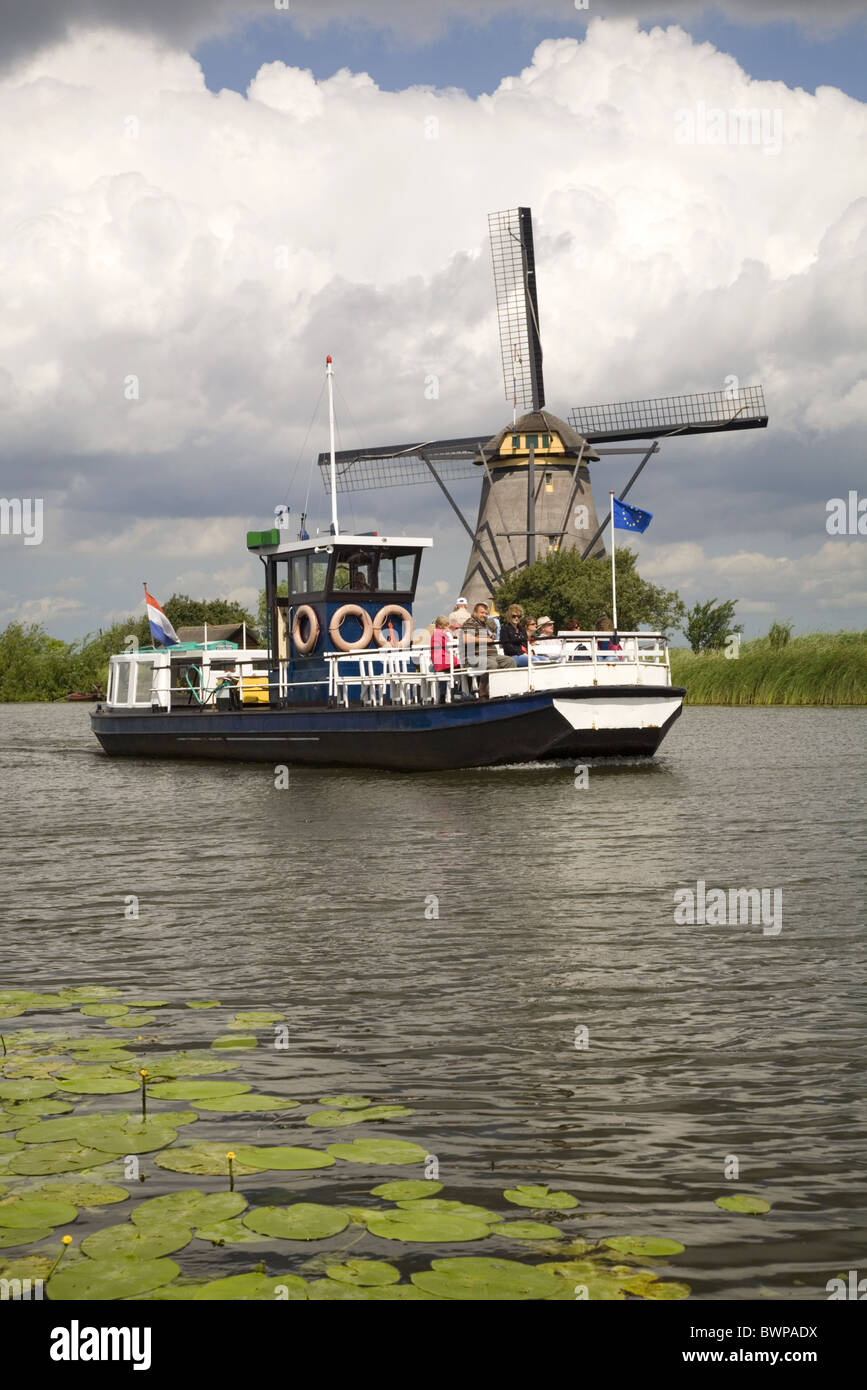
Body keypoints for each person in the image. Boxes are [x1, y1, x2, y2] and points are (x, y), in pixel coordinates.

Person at [462, 601, 515, 696]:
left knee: (510, 661)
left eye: (486, 613)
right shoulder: (470, 622)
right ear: (475, 613)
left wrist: (492, 635)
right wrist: (485, 639)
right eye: (482, 612)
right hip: (474, 656)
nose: (484, 615)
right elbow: (466, 638)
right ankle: (483, 688)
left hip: (491, 655)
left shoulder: (485, 624)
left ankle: (506, 688)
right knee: (492, 664)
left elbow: (491, 636)